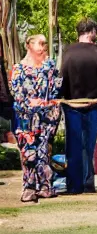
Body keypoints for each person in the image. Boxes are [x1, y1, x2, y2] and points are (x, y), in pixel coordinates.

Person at [60, 18, 97, 194]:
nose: (96, 35)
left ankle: (73, 185)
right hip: (93, 104)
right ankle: (88, 182)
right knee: (88, 146)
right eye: (95, 32)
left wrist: (62, 97)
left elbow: (62, 77)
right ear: (91, 32)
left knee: (73, 145)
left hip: (71, 104)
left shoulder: (67, 51)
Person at [9, 35, 61, 203]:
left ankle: (46, 186)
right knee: (29, 154)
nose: (42, 47)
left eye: (44, 44)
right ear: (28, 45)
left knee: (45, 151)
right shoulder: (19, 69)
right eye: (39, 43)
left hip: (47, 117)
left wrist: (49, 104)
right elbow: (17, 94)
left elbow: (56, 90)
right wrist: (31, 104)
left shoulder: (50, 67)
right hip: (26, 118)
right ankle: (29, 188)